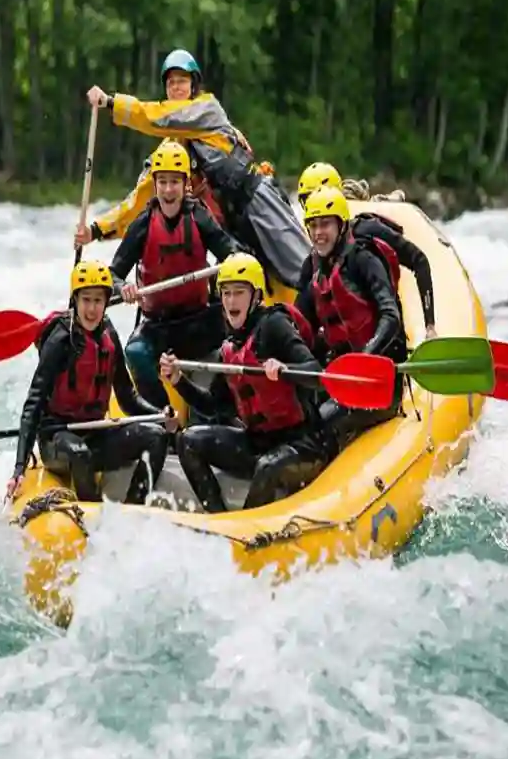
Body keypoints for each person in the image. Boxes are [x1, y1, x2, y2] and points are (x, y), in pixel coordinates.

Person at [76, 49, 311, 288]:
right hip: (232, 225)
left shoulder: (206, 109)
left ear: (194, 85)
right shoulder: (172, 150)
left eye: (182, 81)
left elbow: (157, 117)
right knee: (255, 285)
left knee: (302, 269)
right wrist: (96, 230)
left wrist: (111, 102)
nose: (176, 87)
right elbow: (140, 198)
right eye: (170, 83)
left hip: (257, 201)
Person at [159, 253, 332, 513]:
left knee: (268, 466)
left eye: (239, 292)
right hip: (257, 442)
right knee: (188, 440)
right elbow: (212, 406)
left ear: (257, 296)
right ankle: (217, 519)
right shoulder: (230, 347)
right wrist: (178, 381)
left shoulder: (275, 325)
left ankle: (248, 534)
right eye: (226, 293)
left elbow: (317, 375)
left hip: (302, 444)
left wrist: (286, 369)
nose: (231, 301)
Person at [7, 261, 174, 505]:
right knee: (78, 452)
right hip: (58, 439)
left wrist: (159, 414)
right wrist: (19, 467)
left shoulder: (109, 335)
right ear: (75, 300)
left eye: (98, 300)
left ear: (106, 302)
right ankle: (93, 518)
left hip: (95, 434)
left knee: (157, 437)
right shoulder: (60, 340)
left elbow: (127, 397)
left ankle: (134, 508)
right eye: (86, 300)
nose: (92, 309)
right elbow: (33, 404)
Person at [108, 139, 244, 409]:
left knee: (232, 347)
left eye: (175, 182)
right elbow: (112, 275)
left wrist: (225, 273)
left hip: (200, 322)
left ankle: (213, 415)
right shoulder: (143, 225)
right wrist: (123, 287)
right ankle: (162, 418)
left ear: (185, 185)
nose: (169, 190)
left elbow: (232, 252)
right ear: (155, 184)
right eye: (163, 182)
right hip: (158, 327)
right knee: (135, 352)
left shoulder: (199, 217)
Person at [296, 185, 407, 448]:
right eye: (313, 226)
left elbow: (390, 316)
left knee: (320, 424)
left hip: (380, 382)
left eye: (326, 225)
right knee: (300, 415)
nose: (319, 233)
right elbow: (300, 328)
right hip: (342, 377)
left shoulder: (363, 259)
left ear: (341, 225)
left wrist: (365, 357)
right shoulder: (313, 270)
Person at [295, 161, 437, 340]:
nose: (314, 206)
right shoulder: (313, 261)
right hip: (343, 349)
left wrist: (430, 327)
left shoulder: (366, 235)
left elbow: (419, 260)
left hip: (381, 341)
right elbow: (299, 315)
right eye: (307, 200)